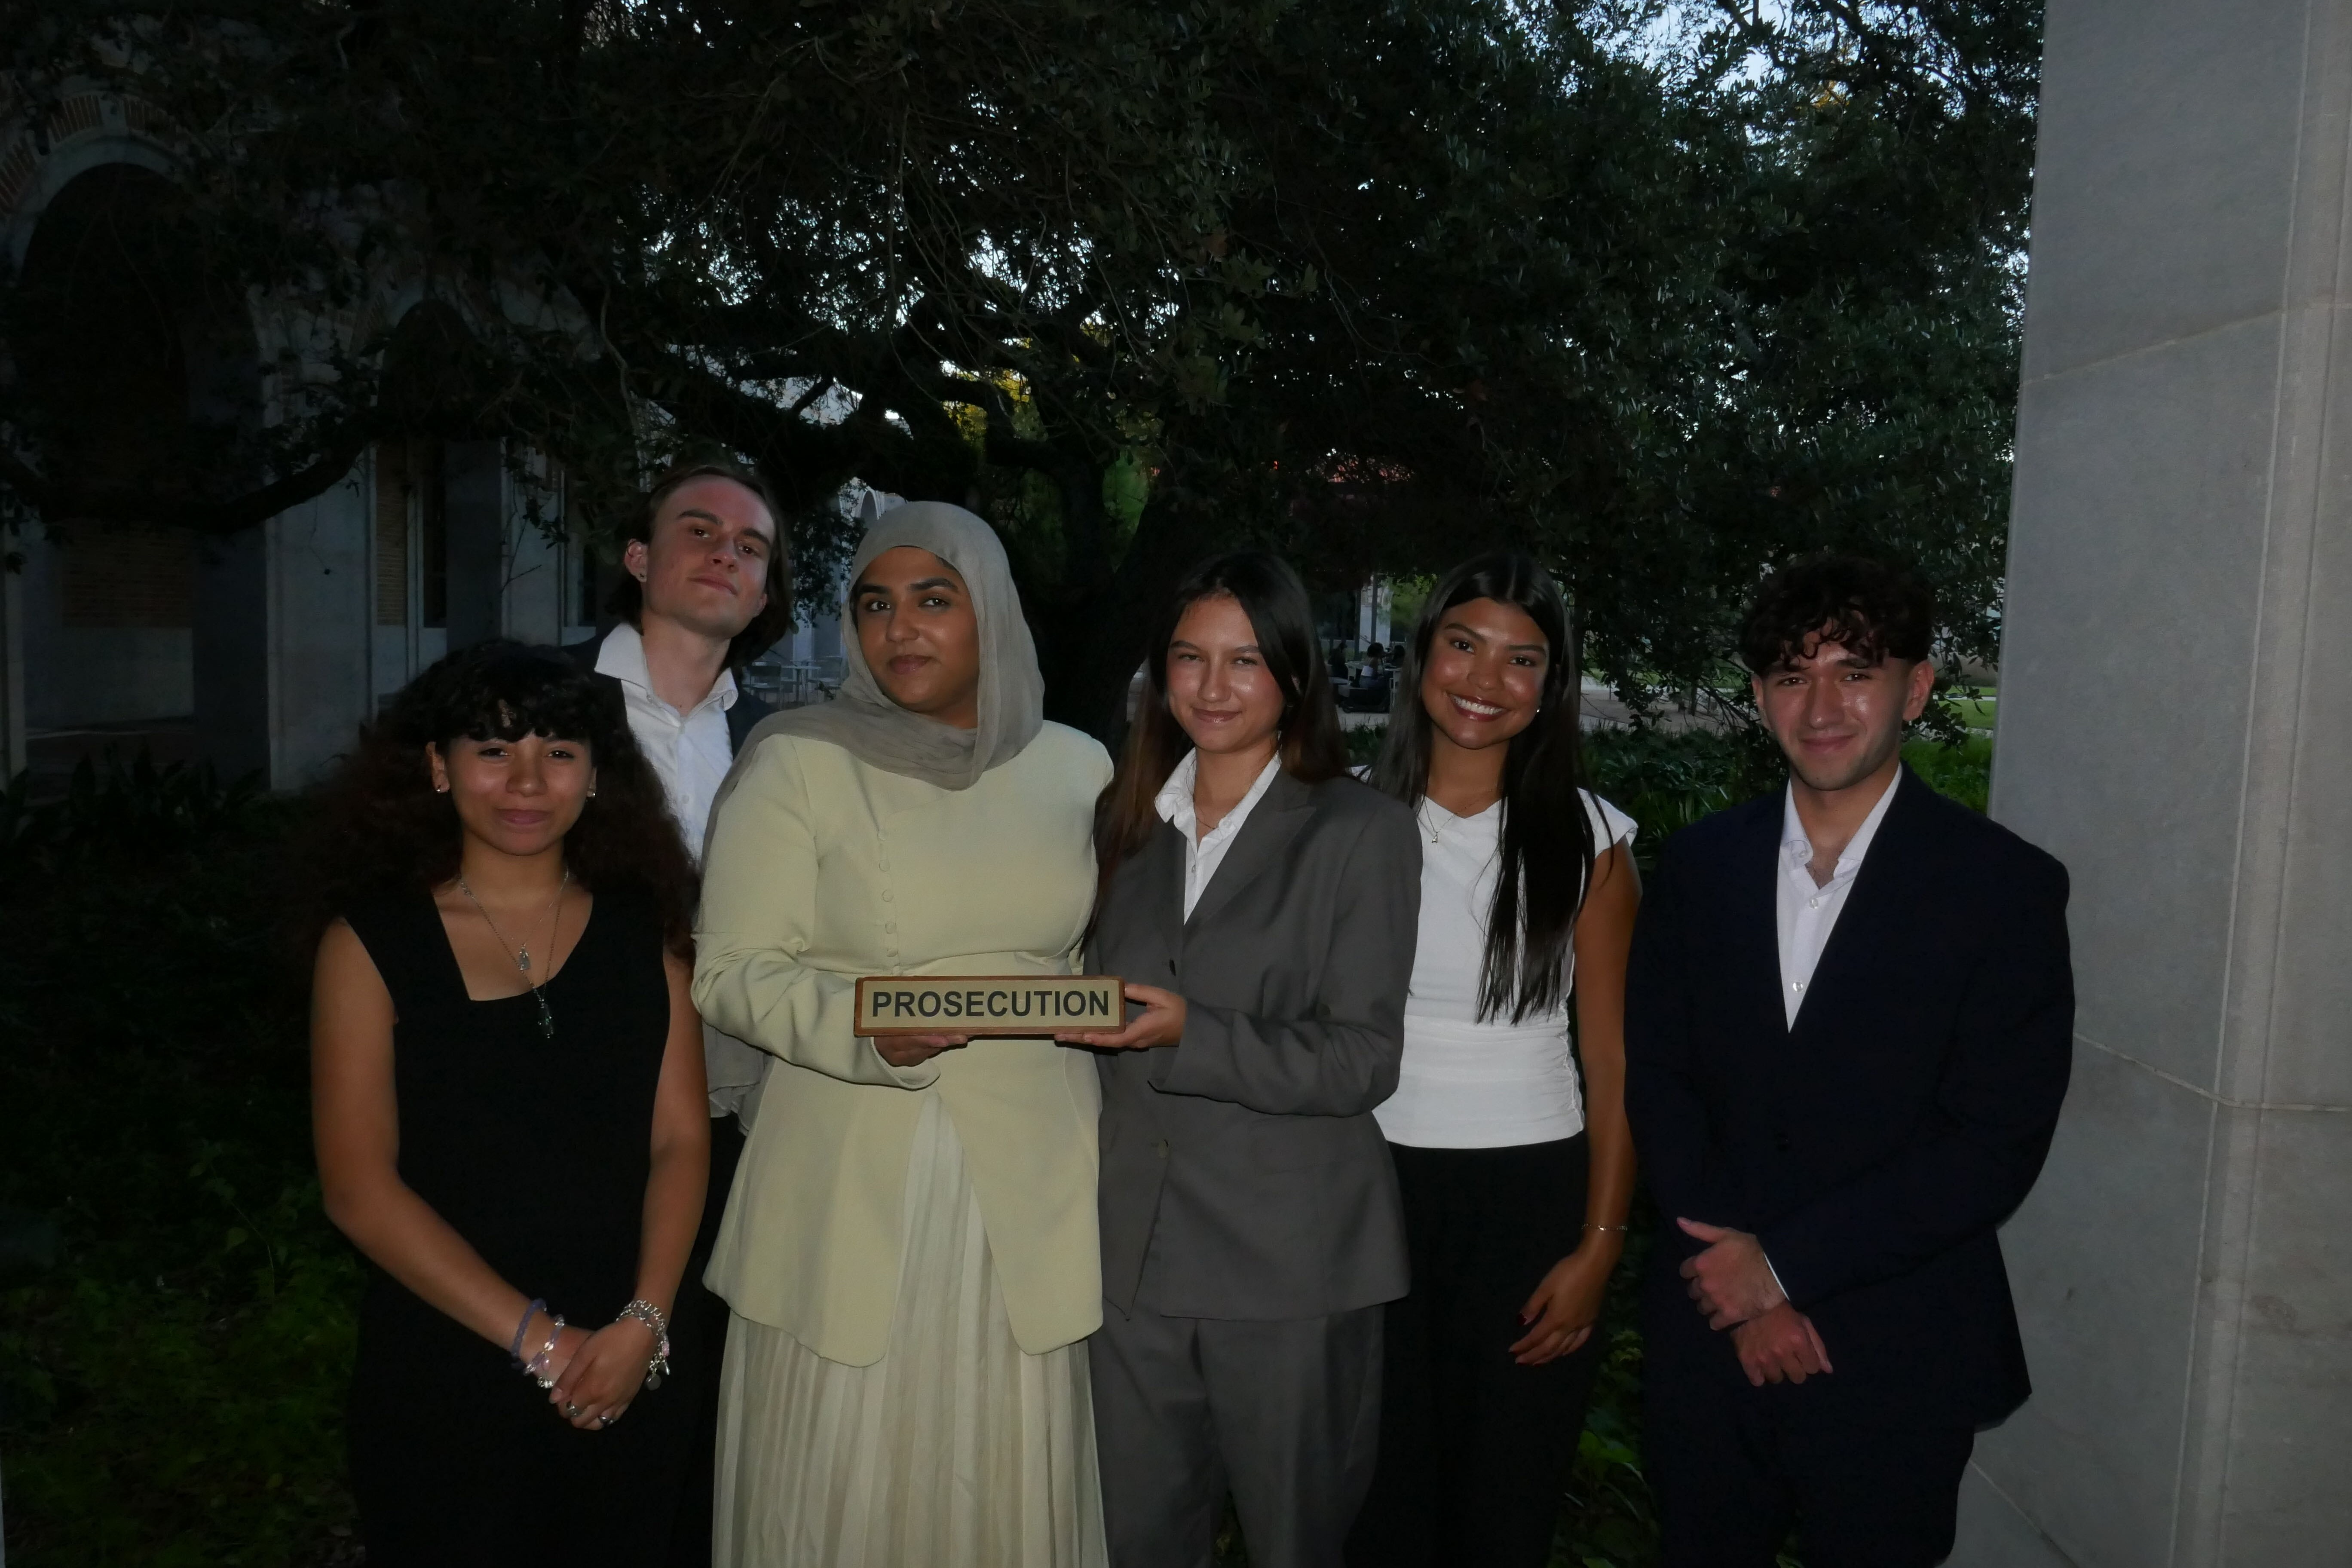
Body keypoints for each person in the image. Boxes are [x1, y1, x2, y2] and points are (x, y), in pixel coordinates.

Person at [1623, 554, 2073, 1567]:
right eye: (1793, 675)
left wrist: (1782, 1270)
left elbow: (1994, 1142)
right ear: (1759, 697)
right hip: (1708, 1331)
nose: (1822, 707)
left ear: (1915, 689)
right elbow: (1659, 1079)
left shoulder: (2004, 890)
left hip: (1895, 1348)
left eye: (1855, 672)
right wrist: (1736, 1287)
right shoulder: (1699, 867)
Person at [692, 502, 1115, 1567]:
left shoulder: (1080, 768)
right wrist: (864, 1030)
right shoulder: (800, 761)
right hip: (845, 1180)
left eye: (935, 599)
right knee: (842, 1482)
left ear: (994, 614)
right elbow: (730, 970)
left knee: (1000, 1477)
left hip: (1031, 1188)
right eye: (875, 605)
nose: (901, 629)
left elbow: (1090, 966)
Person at [308, 640, 711, 1566]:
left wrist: (644, 1322)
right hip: (449, 1360)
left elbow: (682, 1140)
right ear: (438, 767)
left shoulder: (648, 929)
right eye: (493, 751)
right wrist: (544, 1344)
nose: (527, 782)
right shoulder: (369, 944)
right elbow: (359, 1189)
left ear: (596, 774)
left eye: (559, 752)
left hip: (634, 1353)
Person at [1066, 551, 1421, 1568]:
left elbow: (1362, 1061)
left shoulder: (1362, 831)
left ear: (1295, 675)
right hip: (1131, 1264)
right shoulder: (1122, 823)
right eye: (1190, 658)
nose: (1213, 687)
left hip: (1292, 1269)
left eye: (1245, 660)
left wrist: (1195, 1033)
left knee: (1295, 1544)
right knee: (1137, 1543)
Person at [1345, 553, 1640, 1568]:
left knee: (1502, 1511)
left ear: (1550, 685)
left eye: (1522, 659)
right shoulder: (1340, 818)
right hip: (1364, 1191)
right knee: (1377, 1510)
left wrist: (1600, 1248)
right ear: (1422, 656)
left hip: (1530, 1201)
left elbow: (1614, 1063)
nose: (1485, 680)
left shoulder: (1593, 841)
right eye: (1463, 645)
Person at [563, 457, 790, 1562]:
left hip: (730, 1111)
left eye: (750, 547)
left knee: (698, 1396)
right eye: (700, 531)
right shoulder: (543, 703)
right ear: (639, 557)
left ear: (765, 591)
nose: (725, 555)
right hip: (568, 1104)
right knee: (566, 1392)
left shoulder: (783, 744)